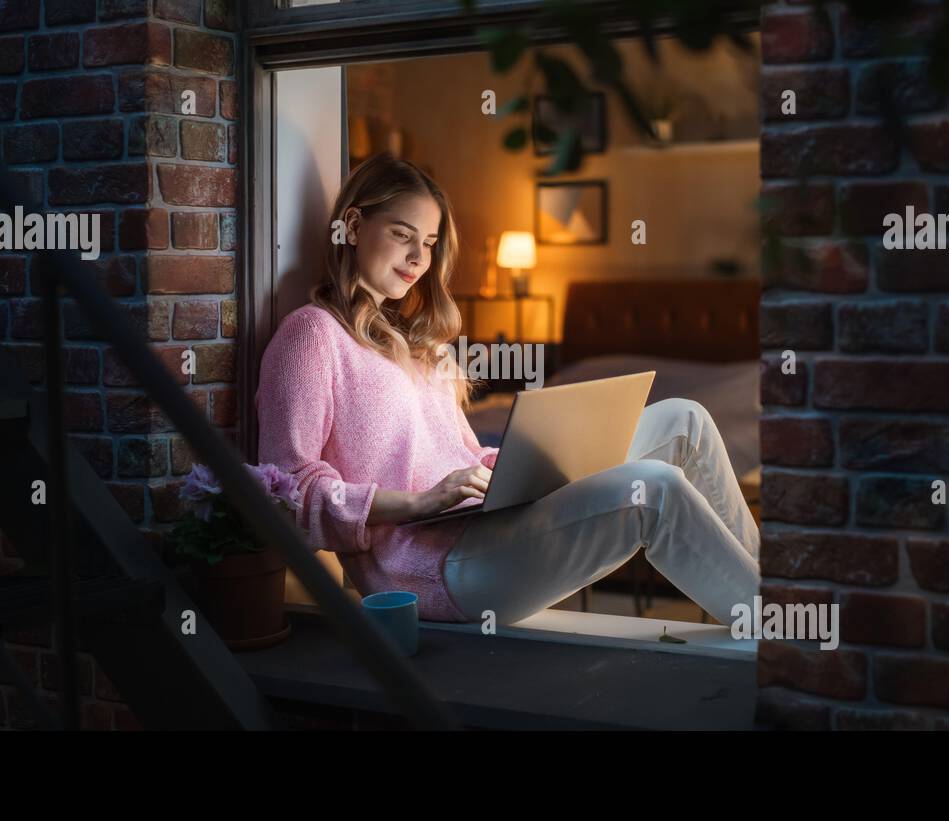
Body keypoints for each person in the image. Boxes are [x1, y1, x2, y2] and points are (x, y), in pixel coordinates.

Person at [257, 153, 759, 626]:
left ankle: (780, 599)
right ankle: (791, 645)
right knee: (654, 487)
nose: (417, 258)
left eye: (429, 243)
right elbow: (287, 488)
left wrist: (522, 462)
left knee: (684, 419)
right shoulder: (312, 336)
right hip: (434, 566)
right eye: (402, 234)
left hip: (488, 526)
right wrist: (419, 502)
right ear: (353, 224)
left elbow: (465, 453)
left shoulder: (418, 349)